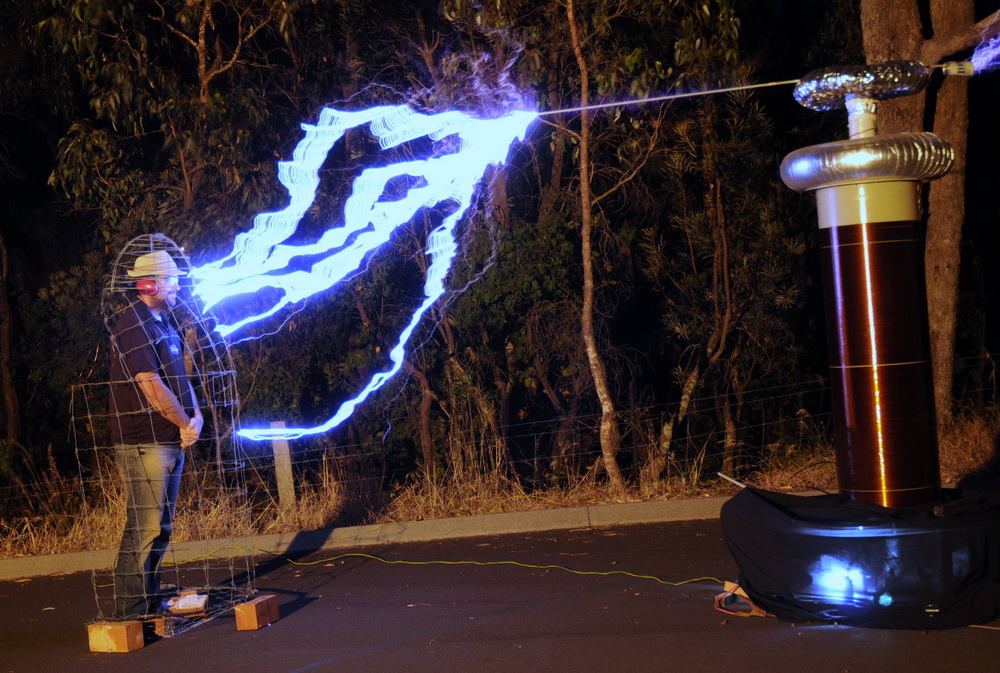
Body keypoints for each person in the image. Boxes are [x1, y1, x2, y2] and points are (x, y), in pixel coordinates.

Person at [108, 250, 203, 619]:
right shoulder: (134, 325)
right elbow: (150, 385)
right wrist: (183, 423)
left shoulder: (164, 323)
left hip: (168, 439)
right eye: (171, 279)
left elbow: (180, 376)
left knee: (160, 527)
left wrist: (195, 417)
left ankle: (148, 602)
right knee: (144, 527)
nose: (178, 285)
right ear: (149, 285)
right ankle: (131, 612)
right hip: (144, 443)